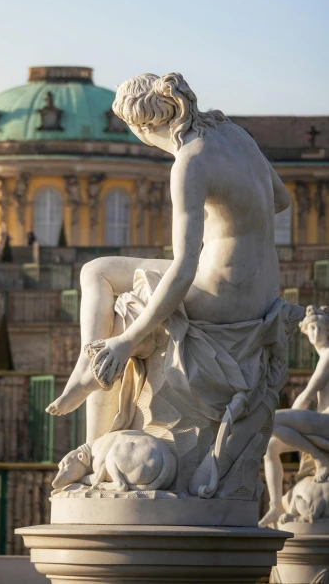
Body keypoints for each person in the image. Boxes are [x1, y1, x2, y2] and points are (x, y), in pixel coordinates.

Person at [46, 72, 292, 457]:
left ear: (142, 126)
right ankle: (87, 369)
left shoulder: (190, 161)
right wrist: (231, 225)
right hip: (260, 292)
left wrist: (125, 343)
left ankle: (92, 422)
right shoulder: (234, 133)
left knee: (97, 278)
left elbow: (184, 268)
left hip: (221, 299)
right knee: (99, 270)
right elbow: (281, 200)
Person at [259, 305, 329, 527]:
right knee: (270, 447)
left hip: (326, 422)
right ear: (305, 331)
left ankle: (319, 455)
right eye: (311, 328)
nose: (316, 332)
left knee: (265, 420)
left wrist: (295, 419)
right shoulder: (322, 356)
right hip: (320, 420)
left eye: (320, 328)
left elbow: (306, 396)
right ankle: (275, 506)